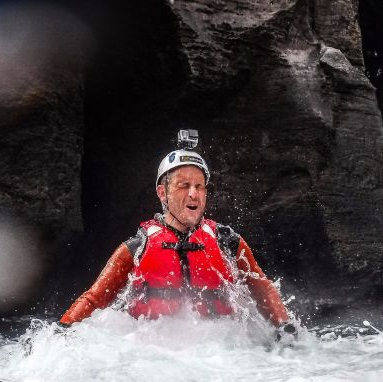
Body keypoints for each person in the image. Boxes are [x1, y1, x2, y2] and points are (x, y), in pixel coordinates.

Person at [60, 136, 294, 337]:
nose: (194, 194)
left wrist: (286, 330)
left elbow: (263, 288)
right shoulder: (136, 247)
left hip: (222, 358)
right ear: (162, 193)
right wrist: (62, 331)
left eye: (200, 186)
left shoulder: (228, 242)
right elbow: (93, 299)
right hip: (152, 359)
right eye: (184, 185)